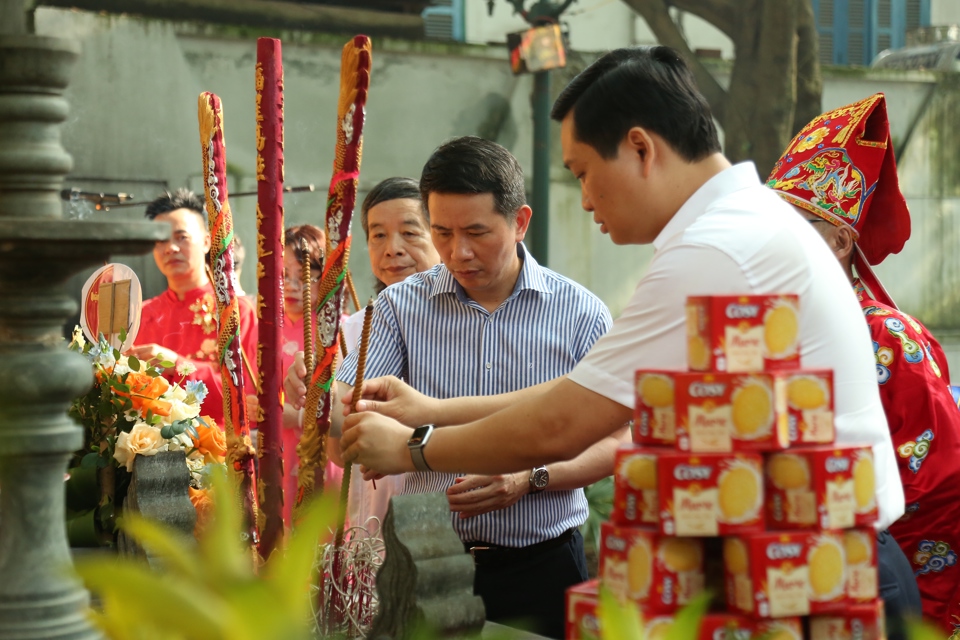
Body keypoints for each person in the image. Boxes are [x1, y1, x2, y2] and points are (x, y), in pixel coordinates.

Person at [336, 46, 915, 634]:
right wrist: (433, 412)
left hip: (818, 579)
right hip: (807, 567)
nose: (585, 198)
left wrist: (415, 446)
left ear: (641, 148)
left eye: (584, 172)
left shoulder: (711, 252)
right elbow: (584, 392)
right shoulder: (746, 224)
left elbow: (566, 423)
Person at [324, 138, 619, 638]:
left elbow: (618, 441)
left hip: (540, 563)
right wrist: (324, 403)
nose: (458, 252)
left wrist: (532, 477)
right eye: (442, 232)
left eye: (477, 232)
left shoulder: (580, 313)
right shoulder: (398, 308)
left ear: (520, 221)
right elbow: (347, 417)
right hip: (422, 560)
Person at [769, 93, 948, 632]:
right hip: (781, 577)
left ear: (841, 239)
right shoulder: (760, 327)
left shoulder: (890, 338)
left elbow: (939, 484)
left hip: (869, 578)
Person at [338, 177, 442, 535]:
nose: (393, 248)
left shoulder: (464, 321)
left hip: (444, 513)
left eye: (411, 233)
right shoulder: (349, 330)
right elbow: (339, 448)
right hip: (373, 512)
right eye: (378, 235)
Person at [130, 188, 258, 428]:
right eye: (161, 240)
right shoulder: (140, 316)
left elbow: (248, 399)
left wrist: (176, 365)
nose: (171, 248)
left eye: (182, 237)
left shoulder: (236, 311)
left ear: (207, 241)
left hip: (220, 456)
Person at [274, 224, 343, 527]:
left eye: (303, 276)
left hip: (325, 452)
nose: (291, 285)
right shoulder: (265, 327)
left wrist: (298, 417)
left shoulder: (337, 330)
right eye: (283, 276)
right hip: (278, 451)